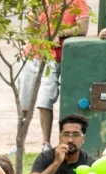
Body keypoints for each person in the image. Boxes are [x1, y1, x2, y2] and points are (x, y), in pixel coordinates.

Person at [16, 0, 90, 146]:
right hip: (31, 55)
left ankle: (45, 143)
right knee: (24, 102)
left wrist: (59, 33)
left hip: (52, 57)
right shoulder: (40, 2)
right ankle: (19, 144)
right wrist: (35, 13)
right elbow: (29, 30)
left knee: (45, 101)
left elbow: (82, 28)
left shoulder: (76, 2)